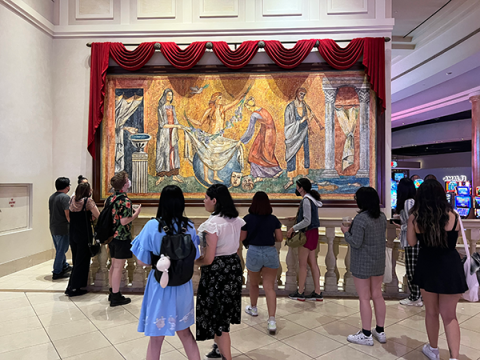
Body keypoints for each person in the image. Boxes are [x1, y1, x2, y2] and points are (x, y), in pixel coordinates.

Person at [131, 185, 200, 360]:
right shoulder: (189, 227)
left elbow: (142, 261)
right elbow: (195, 256)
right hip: (183, 284)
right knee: (185, 333)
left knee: (156, 337)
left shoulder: (152, 226)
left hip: (160, 283)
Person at [407, 179, 467, 360]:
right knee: (450, 316)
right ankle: (454, 357)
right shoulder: (454, 215)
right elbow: (452, 242)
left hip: (428, 266)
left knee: (431, 312)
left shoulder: (415, 217)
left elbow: (411, 243)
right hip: (450, 266)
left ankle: (433, 349)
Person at [196, 184, 245, 360]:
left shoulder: (211, 224)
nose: (204, 201)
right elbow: (237, 243)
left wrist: (195, 262)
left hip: (217, 272)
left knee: (218, 318)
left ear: (214, 200)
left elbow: (208, 259)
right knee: (223, 313)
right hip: (232, 267)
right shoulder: (236, 220)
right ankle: (218, 349)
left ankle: (227, 357)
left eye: (206, 198)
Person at [340, 187, 387, 346]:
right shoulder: (381, 217)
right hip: (378, 261)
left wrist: (346, 232)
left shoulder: (361, 219)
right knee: (378, 295)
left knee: (364, 298)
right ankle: (380, 331)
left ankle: (366, 333)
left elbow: (355, 242)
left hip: (362, 263)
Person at [241, 191, 283, 334]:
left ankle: (253, 308)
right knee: (269, 287)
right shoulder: (273, 219)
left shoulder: (247, 219)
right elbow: (279, 238)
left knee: (253, 283)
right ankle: (272, 320)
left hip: (253, 251)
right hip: (270, 252)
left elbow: (242, 237)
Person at [107, 170, 142, 306]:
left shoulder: (111, 198)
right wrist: (136, 214)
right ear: (124, 184)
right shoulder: (125, 201)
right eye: (127, 180)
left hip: (111, 236)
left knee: (113, 265)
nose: (129, 181)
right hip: (121, 236)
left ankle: (112, 291)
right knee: (118, 267)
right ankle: (115, 295)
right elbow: (123, 221)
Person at [287, 178, 323, 301]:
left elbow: (307, 220)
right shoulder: (311, 199)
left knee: (302, 264)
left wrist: (293, 228)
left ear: (301, 188)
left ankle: (301, 292)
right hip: (313, 232)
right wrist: (296, 218)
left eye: (297, 187)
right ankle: (318, 292)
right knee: (312, 263)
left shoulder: (306, 200)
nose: (296, 189)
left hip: (307, 233)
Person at [283, 88, 322, 189]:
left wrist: (311, 118)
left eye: (304, 94)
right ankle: (290, 179)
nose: (302, 96)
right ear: (297, 94)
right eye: (301, 94)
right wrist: (301, 121)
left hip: (303, 134)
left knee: (304, 153)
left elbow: (306, 121)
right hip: (294, 136)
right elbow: (288, 126)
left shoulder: (304, 106)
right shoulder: (290, 107)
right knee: (293, 154)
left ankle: (305, 175)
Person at [65, 182, 100, 297]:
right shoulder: (88, 201)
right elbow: (98, 215)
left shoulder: (72, 199)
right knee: (82, 261)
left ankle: (72, 285)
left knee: (76, 260)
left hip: (73, 233)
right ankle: (74, 287)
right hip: (83, 234)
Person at [240, 97, 283, 182]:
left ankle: (275, 171)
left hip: (267, 134)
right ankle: (260, 176)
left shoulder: (254, 114)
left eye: (247, 108)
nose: (248, 110)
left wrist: (242, 141)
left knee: (266, 155)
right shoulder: (262, 110)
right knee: (257, 152)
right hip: (268, 132)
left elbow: (250, 131)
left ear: (249, 106)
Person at [395, 178, 422, 307]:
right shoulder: (412, 202)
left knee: (412, 269)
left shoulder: (408, 202)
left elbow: (412, 223)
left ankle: (415, 296)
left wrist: (401, 227)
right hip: (412, 239)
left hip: (412, 240)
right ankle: (416, 295)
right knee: (413, 269)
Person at [155, 89, 183, 186]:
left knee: (173, 153)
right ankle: (161, 176)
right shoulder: (160, 108)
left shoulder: (173, 108)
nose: (170, 97)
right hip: (164, 134)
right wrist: (175, 126)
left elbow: (175, 120)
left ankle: (174, 175)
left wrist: (179, 126)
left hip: (172, 133)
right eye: (168, 95)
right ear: (165, 96)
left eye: (171, 95)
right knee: (163, 152)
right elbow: (162, 124)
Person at [48, 177, 72, 280]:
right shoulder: (65, 198)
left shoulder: (52, 197)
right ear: (67, 187)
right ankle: (57, 271)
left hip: (54, 226)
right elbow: (68, 214)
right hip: (63, 228)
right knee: (61, 250)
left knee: (59, 249)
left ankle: (64, 266)